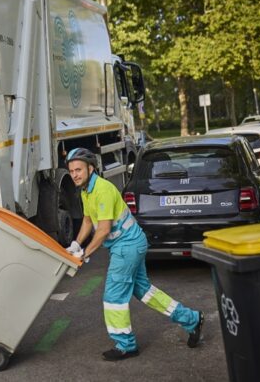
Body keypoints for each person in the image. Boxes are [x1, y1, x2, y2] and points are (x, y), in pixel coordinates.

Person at [65, 148, 204, 361]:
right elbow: (87, 220)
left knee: (114, 296)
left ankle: (126, 345)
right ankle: (192, 319)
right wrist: (76, 244)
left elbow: (102, 230)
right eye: (72, 170)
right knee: (144, 291)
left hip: (126, 246)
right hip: (130, 243)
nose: (75, 174)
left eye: (79, 170)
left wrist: (84, 254)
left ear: (90, 168)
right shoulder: (86, 190)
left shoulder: (102, 189)